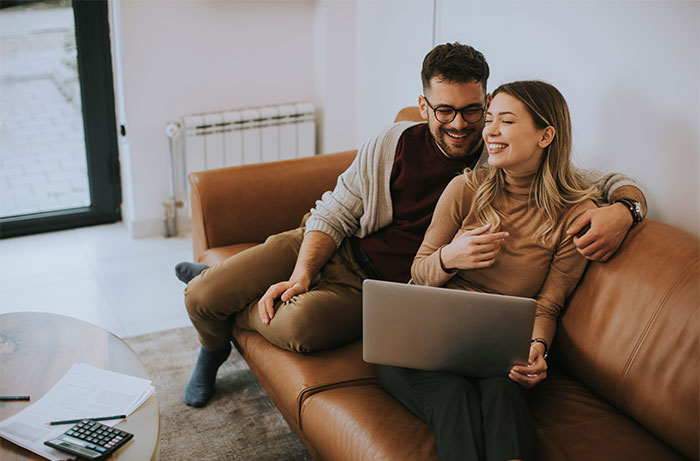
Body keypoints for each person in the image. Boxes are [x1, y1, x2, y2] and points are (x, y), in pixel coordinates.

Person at [177, 43, 646, 408]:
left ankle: (227, 307)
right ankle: (213, 339)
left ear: (486, 102)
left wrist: (625, 211)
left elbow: (605, 182)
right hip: (331, 244)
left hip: (377, 289)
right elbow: (336, 210)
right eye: (445, 110)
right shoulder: (391, 144)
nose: (461, 125)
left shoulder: (502, 152)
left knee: (297, 326)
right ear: (423, 105)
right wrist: (301, 273)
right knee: (200, 298)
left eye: (473, 110)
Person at [377, 80, 604, 460]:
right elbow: (419, 274)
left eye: (506, 121)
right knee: (453, 396)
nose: (490, 132)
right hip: (422, 342)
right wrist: (452, 257)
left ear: (545, 135)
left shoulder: (575, 215)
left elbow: (548, 304)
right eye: (490, 119)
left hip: (496, 354)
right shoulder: (464, 189)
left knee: (503, 392)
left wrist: (537, 348)